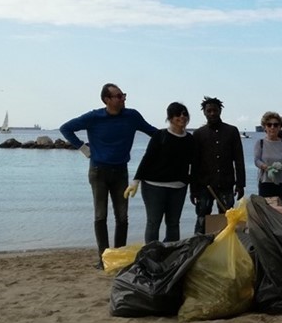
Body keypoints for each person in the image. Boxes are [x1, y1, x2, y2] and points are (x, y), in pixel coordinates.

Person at [60, 83, 157, 268]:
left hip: (121, 171)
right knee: (100, 216)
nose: (123, 99)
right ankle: (103, 258)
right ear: (107, 99)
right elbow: (65, 128)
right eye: (119, 96)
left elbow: (153, 133)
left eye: (123, 95)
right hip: (98, 172)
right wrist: (83, 148)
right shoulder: (94, 117)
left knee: (122, 217)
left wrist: (177, 137)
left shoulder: (132, 116)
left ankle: (118, 256)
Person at [125, 102, 193, 244]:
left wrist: (195, 185)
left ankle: (171, 254)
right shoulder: (160, 135)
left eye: (185, 113)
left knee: (174, 224)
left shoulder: (190, 139)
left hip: (178, 188)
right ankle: (151, 255)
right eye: (178, 114)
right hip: (153, 186)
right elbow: (147, 158)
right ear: (170, 117)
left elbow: (194, 163)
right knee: (153, 222)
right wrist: (135, 181)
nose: (182, 117)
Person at [190, 96, 245, 235]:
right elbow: (194, 164)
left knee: (228, 220)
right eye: (209, 111)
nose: (212, 113)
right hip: (204, 185)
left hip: (226, 184)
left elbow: (239, 159)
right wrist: (193, 189)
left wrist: (240, 184)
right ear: (204, 112)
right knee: (202, 219)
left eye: (215, 110)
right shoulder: (198, 134)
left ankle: (226, 249)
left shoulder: (232, 131)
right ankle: (198, 249)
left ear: (220, 111)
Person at [254, 111, 282, 199]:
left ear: (280, 127)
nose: (272, 127)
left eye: (276, 125)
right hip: (265, 183)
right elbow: (256, 160)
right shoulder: (260, 143)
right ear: (265, 127)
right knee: (265, 210)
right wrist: (266, 167)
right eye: (269, 125)